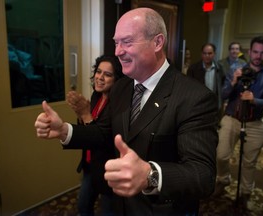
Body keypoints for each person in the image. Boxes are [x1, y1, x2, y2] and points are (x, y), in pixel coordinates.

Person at [35, 7, 218, 215]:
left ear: (157, 42)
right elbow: (105, 132)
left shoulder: (194, 97)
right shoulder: (122, 87)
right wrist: (65, 131)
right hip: (120, 206)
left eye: (127, 42)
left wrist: (150, 175)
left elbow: (203, 175)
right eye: (116, 42)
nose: (118, 51)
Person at [213, 36, 263, 209]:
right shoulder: (235, 68)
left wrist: (254, 100)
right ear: (249, 52)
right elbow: (224, 94)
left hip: (254, 123)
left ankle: (246, 193)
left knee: (249, 162)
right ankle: (223, 179)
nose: (258, 56)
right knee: (221, 155)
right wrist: (234, 81)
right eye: (255, 52)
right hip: (232, 118)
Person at [65, 54, 123, 216]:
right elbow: (86, 132)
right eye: (98, 72)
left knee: (108, 211)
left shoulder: (118, 105)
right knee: (83, 206)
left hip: (107, 168)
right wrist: (81, 114)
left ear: (116, 79)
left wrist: (85, 115)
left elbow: (102, 138)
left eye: (107, 74)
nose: (100, 77)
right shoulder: (96, 96)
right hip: (90, 165)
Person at [187, 43, 225, 119]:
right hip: (198, 105)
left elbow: (222, 87)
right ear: (201, 54)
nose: (207, 56)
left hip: (214, 105)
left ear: (214, 54)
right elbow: (189, 89)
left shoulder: (220, 68)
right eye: (205, 53)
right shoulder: (193, 69)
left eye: (210, 53)